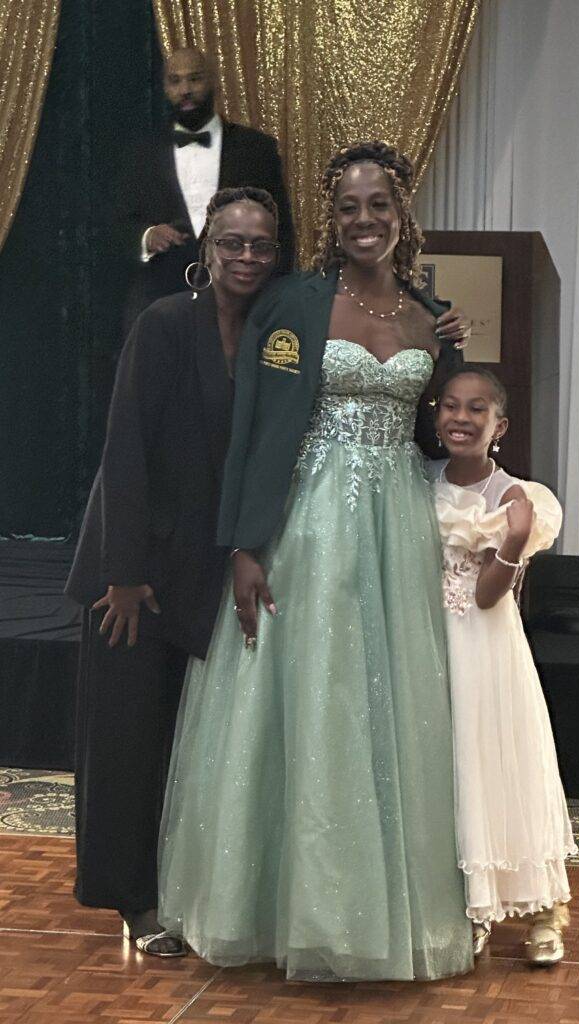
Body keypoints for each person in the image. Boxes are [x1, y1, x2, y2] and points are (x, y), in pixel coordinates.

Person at [158, 140, 474, 981]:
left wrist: (454, 356)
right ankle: (289, 910)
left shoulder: (428, 315)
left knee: (389, 706)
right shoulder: (293, 303)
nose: (364, 220)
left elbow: (439, 431)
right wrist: (244, 543)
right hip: (309, 524)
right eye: (347, 207)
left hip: (397, 528)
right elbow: (255, 427)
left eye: (379, 205)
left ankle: (382, 911)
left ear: (402, 213)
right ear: (331, 219)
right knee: (313, 701)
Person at [65, 187, 282, 956]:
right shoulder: (164, 323)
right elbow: (124, 447)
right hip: (131, 574)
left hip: (200, 567)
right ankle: (132, 900)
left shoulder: (270, 336)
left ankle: (178, 888)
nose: (246, 256)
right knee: (125, 743)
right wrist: (123, 574)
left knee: (178, 744)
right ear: (206, 249)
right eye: (232, 242)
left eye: (260, 244)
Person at [430, 367, 577, 966]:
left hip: (485, 646)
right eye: (450, 406)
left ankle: (544, 910)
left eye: (477, 409)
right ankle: (469, 906)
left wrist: (513, 541)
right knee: (447, 770)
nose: (461, 418)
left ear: (501, 425)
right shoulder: (419, 481)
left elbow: (489, 597)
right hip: (428, 643)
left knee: (498, 761)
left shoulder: (516, 497)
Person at [121, 47, 294, 324]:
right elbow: (116, 224)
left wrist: (272, 306)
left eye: (194, 79)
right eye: (175, 81)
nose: (185, 90)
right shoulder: (141, 153)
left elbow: (281, 231)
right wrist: (147, 236)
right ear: (164, 87)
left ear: (213, 81)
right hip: (159, 308)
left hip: (242, 309)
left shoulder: (257, 149)